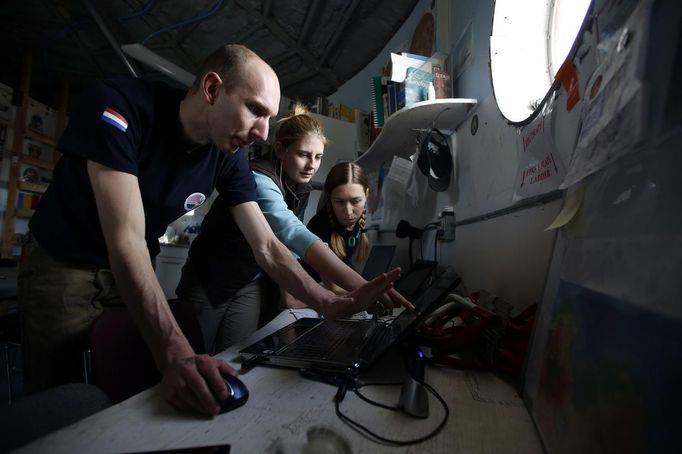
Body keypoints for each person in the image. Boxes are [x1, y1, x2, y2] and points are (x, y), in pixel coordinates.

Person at [18, 44, 399, 417]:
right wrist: (178, 352)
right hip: (64, 263)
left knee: (134, 385)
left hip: (133, 266)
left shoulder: (228, 157)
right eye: (255, 111)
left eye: (269, 118)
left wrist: (324, 300)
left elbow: (266, 244)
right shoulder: (119, 107)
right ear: (213, 89)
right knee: (62, 397)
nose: (263, 134)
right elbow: (126, 239)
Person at [177, 104, 410, 355]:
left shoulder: (300, 187)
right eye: (303, 154)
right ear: (280, 150)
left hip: (249, 282)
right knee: (194, 357)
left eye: (318, 157)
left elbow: (289, 248)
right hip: (209, 280)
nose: (312, 165)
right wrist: (362, 285)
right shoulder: (259, 179)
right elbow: (292, 232)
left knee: (235, 357)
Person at [304, 162, 372, 295]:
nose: (348, 211)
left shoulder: (356, 221)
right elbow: (334, 288)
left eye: (356, 201)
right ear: (330, 199)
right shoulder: (319, 230)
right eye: (340, 202)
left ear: (366, 195)